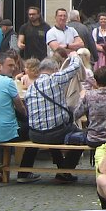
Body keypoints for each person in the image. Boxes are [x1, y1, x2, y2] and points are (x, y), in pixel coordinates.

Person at [0, 52, 40, 183]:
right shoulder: (7, 82)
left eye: (14, 65)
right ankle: (24, 173)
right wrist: (29, 118)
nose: (13, 68)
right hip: (4, 132)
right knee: (37, 132)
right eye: (10, 65)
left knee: (5, 125)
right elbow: (20, 107)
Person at [25, 53, 85, 183]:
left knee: (53, 128)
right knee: (80, 136)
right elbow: (75, 66)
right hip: (54, 134)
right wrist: (74, 55)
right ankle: (65, 171)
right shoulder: (55, 79)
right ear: (55, 69)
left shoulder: (31, 87)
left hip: (34, 135)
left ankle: (23, 172)